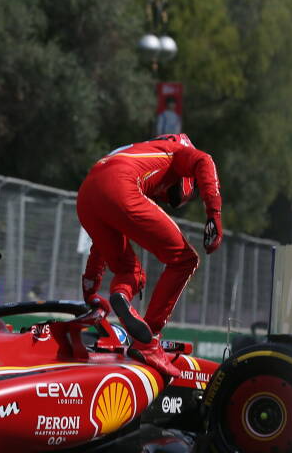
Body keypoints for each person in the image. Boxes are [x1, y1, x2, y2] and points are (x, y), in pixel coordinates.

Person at [77, 133, 223, 378]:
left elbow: (99, 246)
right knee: (184, 259)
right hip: (121, 185)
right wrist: (214, 214)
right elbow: (204, 161)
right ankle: (149, 341)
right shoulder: (177, 150)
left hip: (86, 195)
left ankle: (121, 295)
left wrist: (90, 288)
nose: (169, 197)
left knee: (128, 270)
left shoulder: (136, 152)